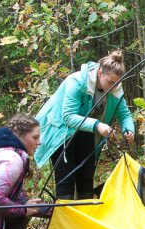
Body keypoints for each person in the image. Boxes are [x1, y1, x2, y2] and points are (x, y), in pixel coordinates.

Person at [34, 50, 135, 200]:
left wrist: (128, 129)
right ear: (100, 72)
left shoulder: (115, 90)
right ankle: (64, 213)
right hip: (61, 132)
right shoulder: (77, 82)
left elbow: (124, 114)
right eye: (110, 82)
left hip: (86, 130)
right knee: (66, 179)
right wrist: (98, 125)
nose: (113, 87)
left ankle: (83, 211)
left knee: (86, 177)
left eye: (116, 83)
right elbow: (68, 117)